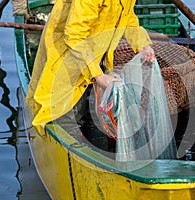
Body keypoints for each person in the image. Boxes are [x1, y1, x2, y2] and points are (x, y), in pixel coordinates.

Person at [26, 0, 155, 151]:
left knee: (96, 117)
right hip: (66, 55)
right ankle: (74, 157)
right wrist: (98, 77)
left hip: (95, 54)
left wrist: (142, 45)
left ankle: (101, 161)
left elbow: (128, 18)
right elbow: (74, 34)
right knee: (65, 114)